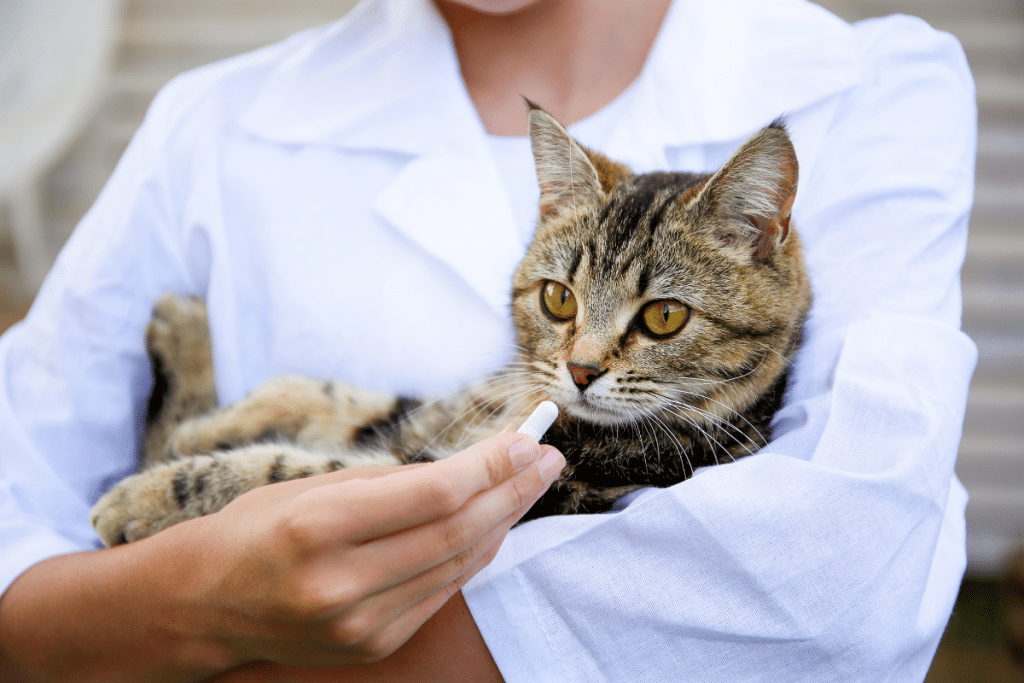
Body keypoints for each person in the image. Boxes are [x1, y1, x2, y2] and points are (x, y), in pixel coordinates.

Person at [0, 0, 977, 680]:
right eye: (560, 308)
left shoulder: (873, 81)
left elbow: (838, 581)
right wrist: (202, 590)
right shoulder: (204, 121)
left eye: (660, 316)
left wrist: (163, 631)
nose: (585, 361)